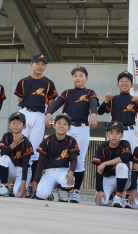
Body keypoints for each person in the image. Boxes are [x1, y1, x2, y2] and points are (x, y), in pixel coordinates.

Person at [46, 65, 98, 203]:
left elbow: (93, 102)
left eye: (81, 75)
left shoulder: (90, 92)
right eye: (75, 76)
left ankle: (76, 191)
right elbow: (58, 102)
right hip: (67, 129)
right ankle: (63, 189)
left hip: (82, 129)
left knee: (79, 161)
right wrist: (49, 112)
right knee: (63, 159)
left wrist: (94, 113)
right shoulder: (67, 92)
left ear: (86, 78)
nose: (78, 78)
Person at [14, 53, 58, 196]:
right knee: (20, 145)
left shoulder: (48, 83)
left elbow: (51, 102)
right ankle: (17, 183)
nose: (40, 66)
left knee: (33, 150)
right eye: (37, 63)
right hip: (24, 113)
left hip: (40, 115)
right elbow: (21, 99)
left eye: (43, 64)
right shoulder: (23, 82)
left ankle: (31, 184)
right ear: (31, 64)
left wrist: (48, 115)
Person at [31, 113, 79, 202]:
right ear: (54, 125)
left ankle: (62, 190)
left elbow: (73, 160)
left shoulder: (72, 141)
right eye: (59, 123)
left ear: (69, 128)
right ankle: (48, 193)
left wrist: (71, 172)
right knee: (41, 194)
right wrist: (35, 183)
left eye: (65, 124)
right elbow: (40, 164)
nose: (61, 126)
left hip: (63, 171)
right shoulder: (47, 141)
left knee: (67, 181)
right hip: (48, 173)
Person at [98, 71, 138, 151]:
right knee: (111, 156)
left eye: (127, 81)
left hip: (129, 131)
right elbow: (100, 112)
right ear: (118, 84)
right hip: (114, 132)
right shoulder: (113, 99)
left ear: (132, 85)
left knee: (130, 158)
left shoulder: (135, 100)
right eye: (122, 81)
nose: (124, 83)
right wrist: (106, 101)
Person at [92, 120, 132, 208]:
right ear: (107, 134)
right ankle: (111, 196)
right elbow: (99, 169)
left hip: (124, 180)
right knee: (101, 202)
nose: (114, 136)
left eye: (117, 133)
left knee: (122, 166)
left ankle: (118, 196)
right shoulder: (102, 147)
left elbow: (126, 158)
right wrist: (99, 190)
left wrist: (105, 163)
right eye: (111, 133)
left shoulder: (125, 143)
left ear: (122, 135)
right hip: (108, 179)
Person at [0, 112, 34, 198]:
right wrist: (14, 144)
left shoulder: (26, 142)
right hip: (12, 168)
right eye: (13, 123)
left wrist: (23, 184)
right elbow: (3, 153)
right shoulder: (6, 136)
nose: (16, 125)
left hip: (23, 170)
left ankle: (21, 187)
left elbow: (26, 164)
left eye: (19, 123)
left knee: (17, 194)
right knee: (3, 158)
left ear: (24, 126)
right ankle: (4, 187)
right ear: (9, 125)